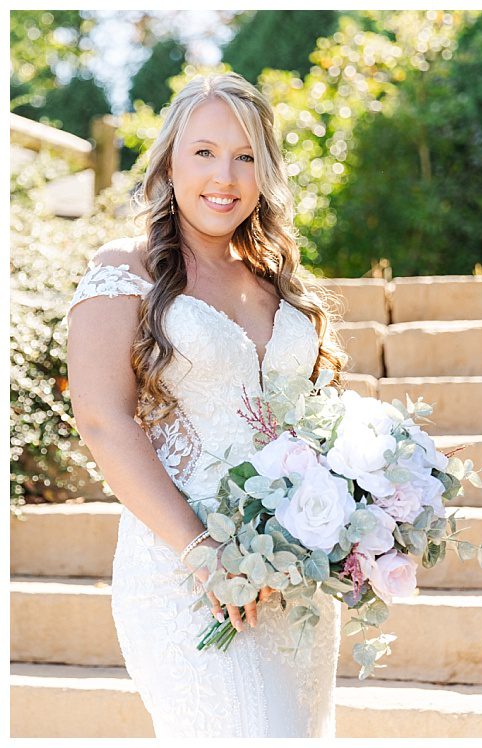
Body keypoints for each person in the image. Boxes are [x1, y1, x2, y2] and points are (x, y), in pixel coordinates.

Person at [66, 73, 345, 738]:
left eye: (246, 156)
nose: (226, 175)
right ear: (168, 161)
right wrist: (205, 553)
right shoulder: (124, 269)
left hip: (291, 581)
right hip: (184, 573)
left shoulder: (276, 278)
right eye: (205, 152)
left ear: (265, 171)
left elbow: (311, 419)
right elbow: (104, 421)